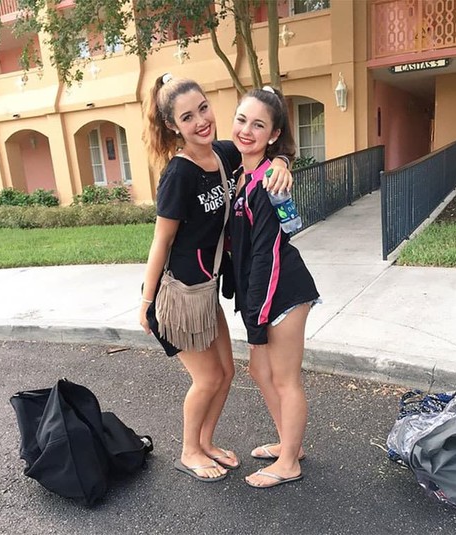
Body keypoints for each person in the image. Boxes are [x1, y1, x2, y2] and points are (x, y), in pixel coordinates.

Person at [139, 74, 293, 482]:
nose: (201, 121)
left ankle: (205, 443)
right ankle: (189, 450)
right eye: (187, 117)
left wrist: (282, 163)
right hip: (180, 294)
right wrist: (146, 301)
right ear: (173, 125)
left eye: (203, 109)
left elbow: (264, 148)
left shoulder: (223, 154)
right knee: (207, 378)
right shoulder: (179, 174)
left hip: (206, 291)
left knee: (226, 373)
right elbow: (161, 240)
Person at [229, 86, 320, 488]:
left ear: (273, 133)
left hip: (282, 292)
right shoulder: (240, 171)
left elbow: (268, 256)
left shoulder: (268, 183)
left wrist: (256, 319)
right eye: (241, 120)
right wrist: (282, 159)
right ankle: (289, 445)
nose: (246, 131)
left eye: (258, 125)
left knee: (285, 378)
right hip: (262, 290)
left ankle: (289, 463)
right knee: (259, 369)